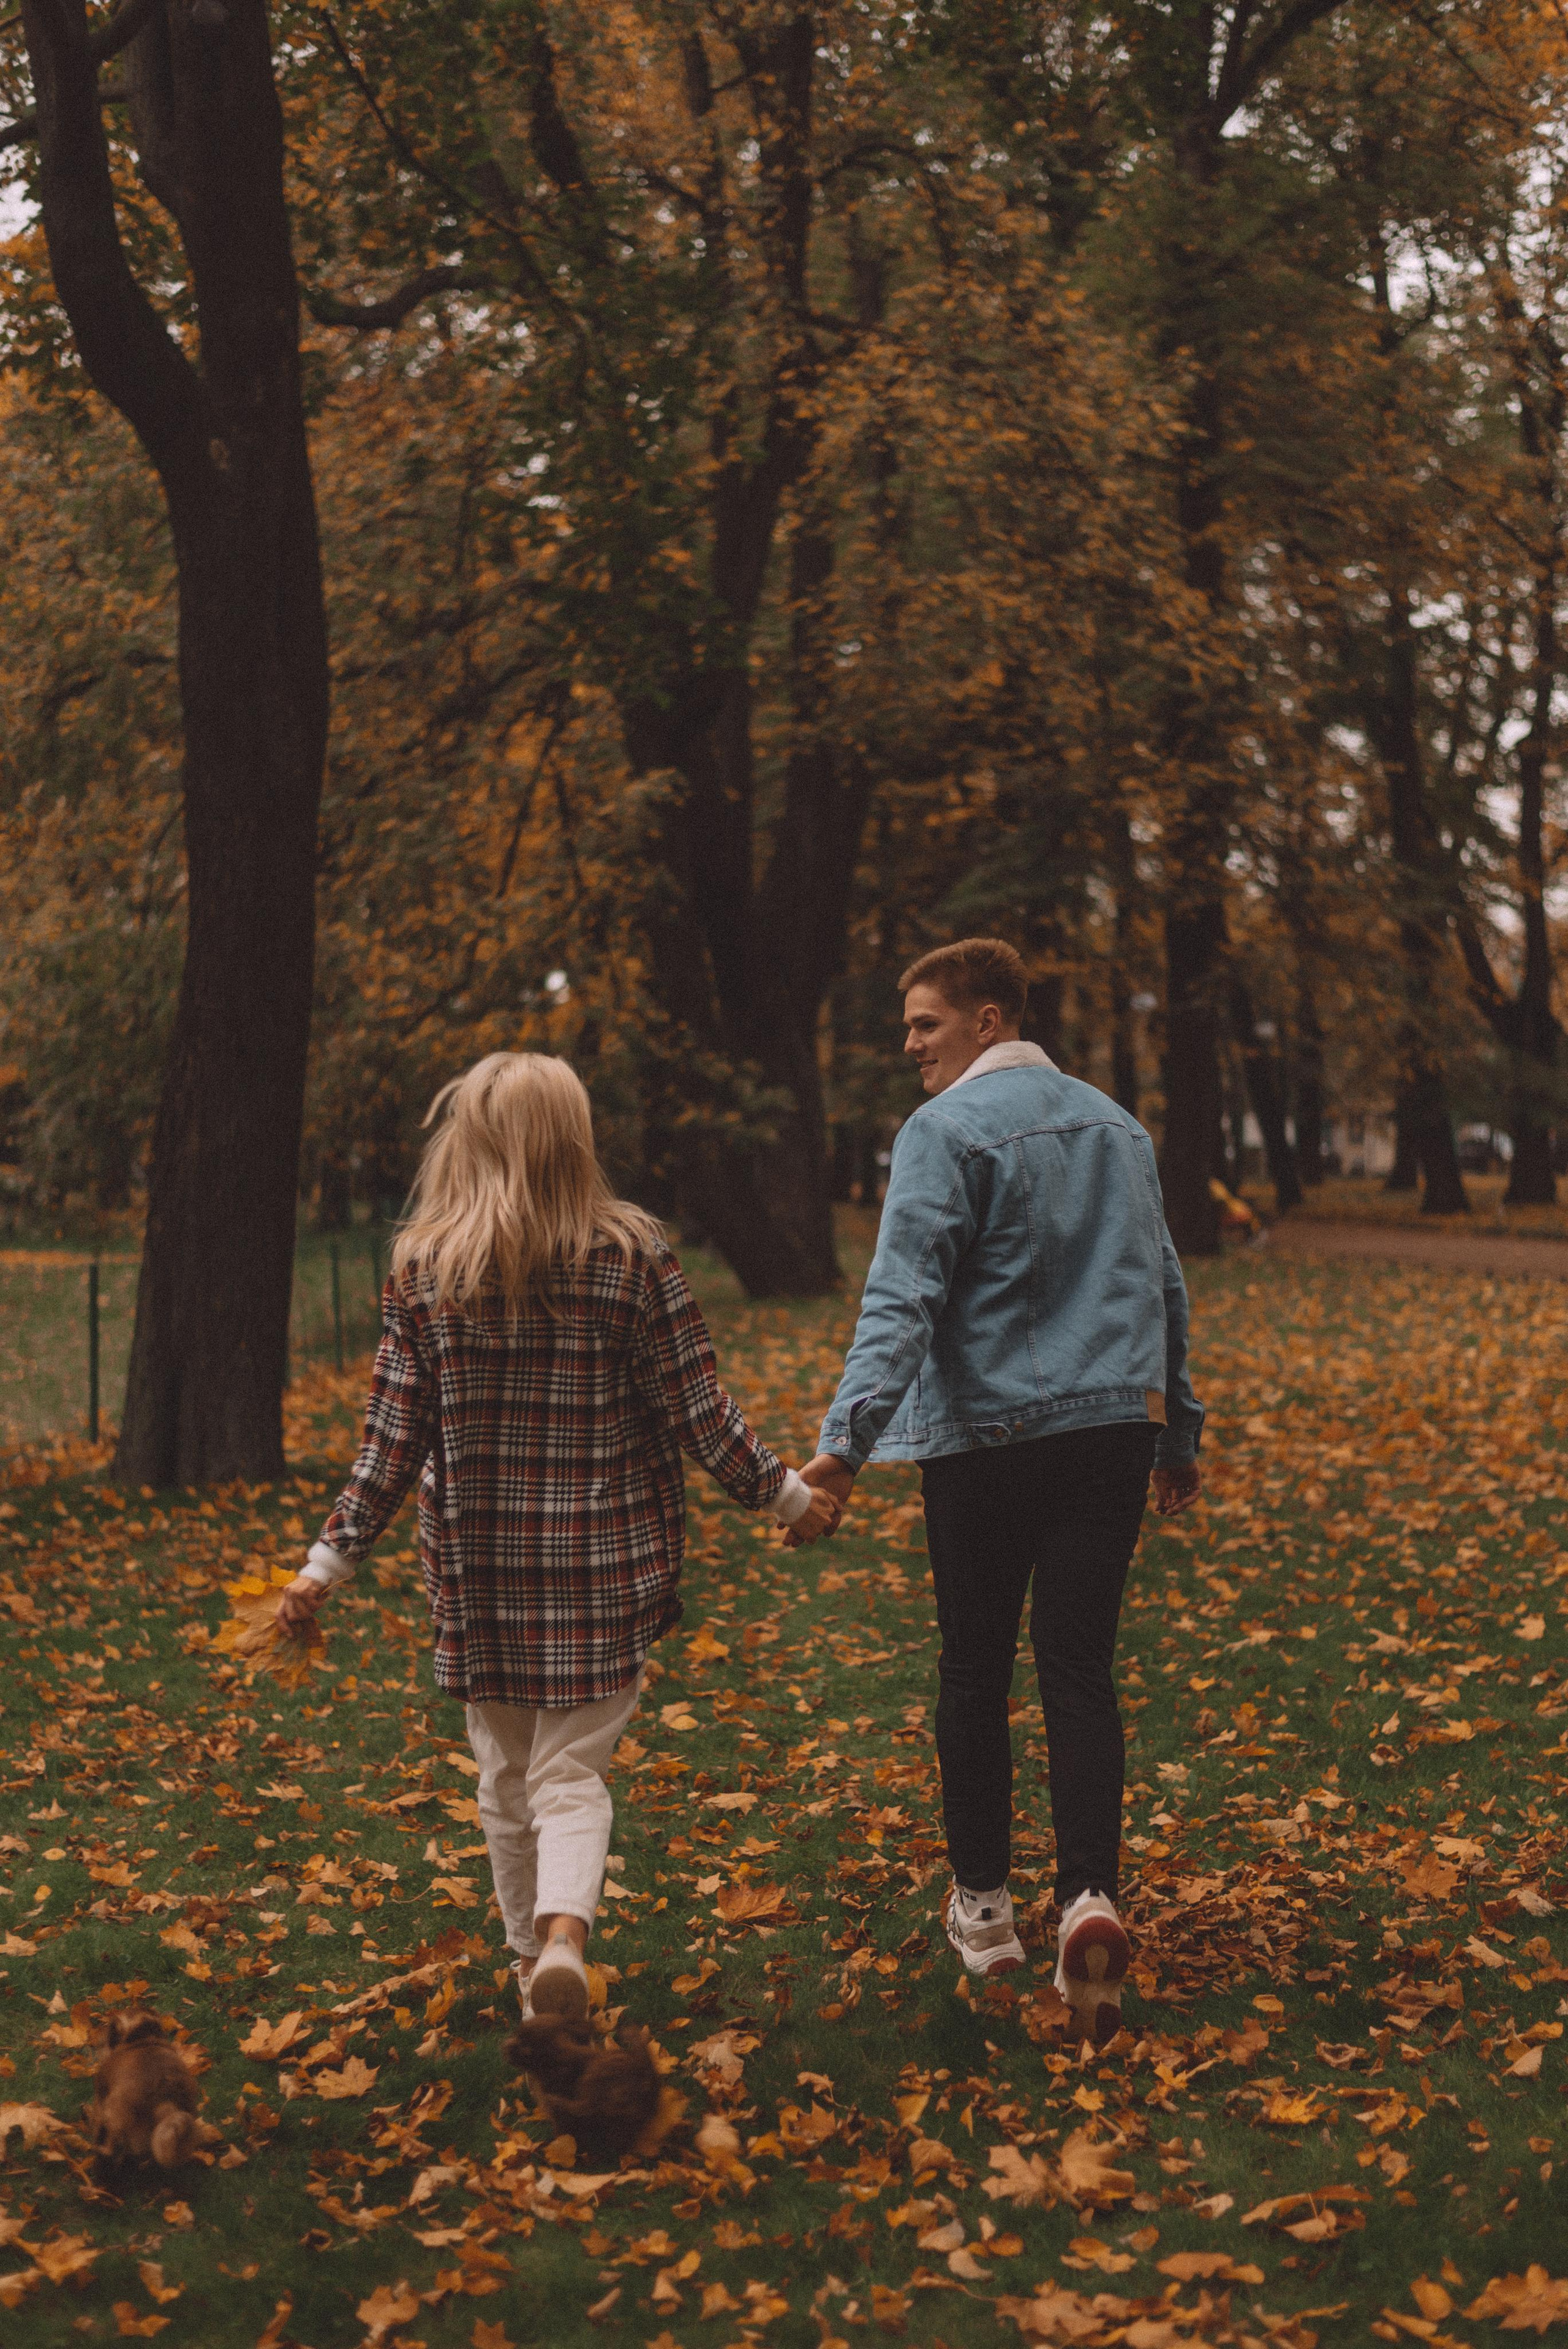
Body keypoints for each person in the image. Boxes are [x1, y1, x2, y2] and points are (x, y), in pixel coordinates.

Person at [276, 1053, 839, 2021]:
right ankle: (565, 1939)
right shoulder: (633, 1256)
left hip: (480, 1574)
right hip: (602, 1567)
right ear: (572, 1138)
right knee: (570, 1774)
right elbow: (697, 1409)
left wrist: (327, 1561)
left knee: (504, 1782)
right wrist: (788, 1498)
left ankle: (529, 1962)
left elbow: (390, 1440)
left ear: (470, 1137)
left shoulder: (424, 1269)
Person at [797, 939, 1203, 2043]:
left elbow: (903, 1297)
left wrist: (843, 1446)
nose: (912, 1045)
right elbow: (1162, 1280)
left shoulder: (942, 1133)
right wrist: (1179, 1433)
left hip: (985, 1445)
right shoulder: (1119, 1126)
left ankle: (985, 1909)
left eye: (926, 1023)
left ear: (987, 1019)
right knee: (1078, 1666)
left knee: (975, 1668)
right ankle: (1089, 1896)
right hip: (1113, 1435)